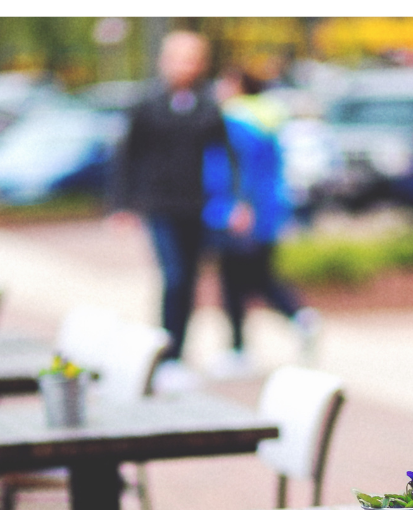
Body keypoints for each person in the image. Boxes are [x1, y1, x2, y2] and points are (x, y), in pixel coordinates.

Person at [107, 31, 244, 393]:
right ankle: (166, 355)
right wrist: (121, 205)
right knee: (176, 276)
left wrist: (236, 201)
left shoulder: (208, 105)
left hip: (196, 207)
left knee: (191, 281)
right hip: (159, 206)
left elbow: (227, 156)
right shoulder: (146, 104)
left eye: (192, 58)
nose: (185, 65)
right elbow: (126, 156)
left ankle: (179, 354)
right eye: (178, 57)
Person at [201, 66, 321, 378]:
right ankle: (300, 318)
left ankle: (238, 350)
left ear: (238, 85)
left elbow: (232, 168)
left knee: (234, 284)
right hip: (268, 212)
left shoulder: (234, 121)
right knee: (262, 278)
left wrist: (235, 207)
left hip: (239, 214)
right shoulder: (270, 117)